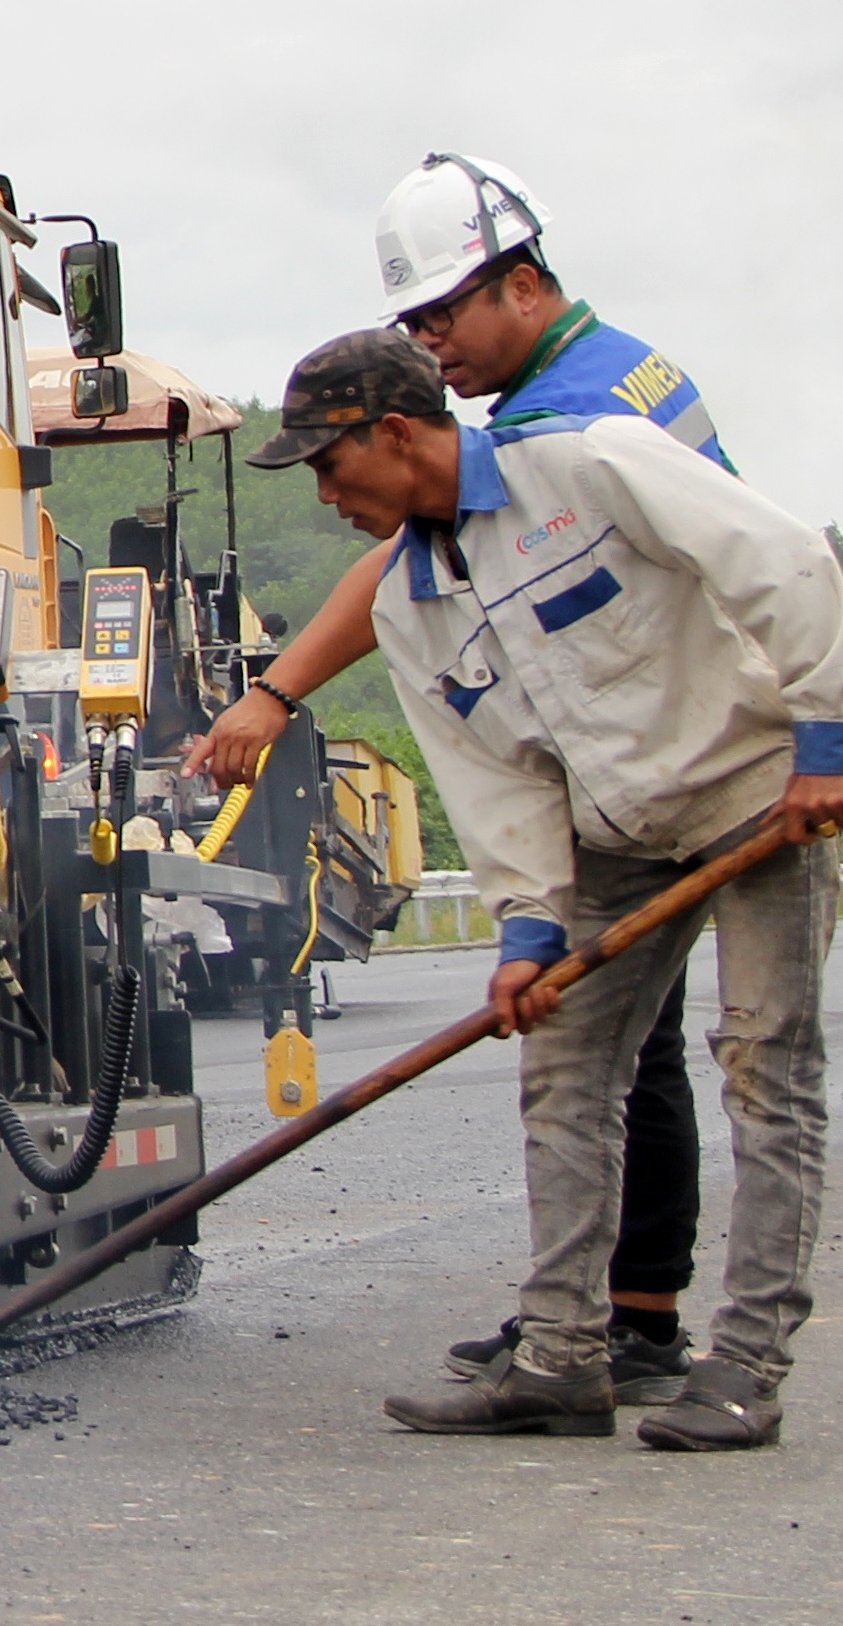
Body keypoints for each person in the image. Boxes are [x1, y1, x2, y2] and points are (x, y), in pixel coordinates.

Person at [245, 328, 843, 1449]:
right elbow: (495, 776)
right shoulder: (409, 601)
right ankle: (561, 1360)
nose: (326, 495)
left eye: (330, 466)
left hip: (758, 794)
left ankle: (745, 1364)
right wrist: (527, 926)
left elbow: (784, 560)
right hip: (613, 838)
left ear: (395, 433)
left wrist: (830, 736)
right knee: (565, 1069)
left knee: (765, 1070)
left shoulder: (589, 464)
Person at [188, 155, 721, 1398]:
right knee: (627, 1052)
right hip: (646, 738)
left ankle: (625, 1328)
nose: (433, 347)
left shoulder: (565, 423)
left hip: (660, 753)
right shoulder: (608, 370)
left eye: (439, 319)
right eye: (415, 326)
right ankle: (603, 1319)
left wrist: (271, 696)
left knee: (616, 1052)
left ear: (520, 283)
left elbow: (407, 566)